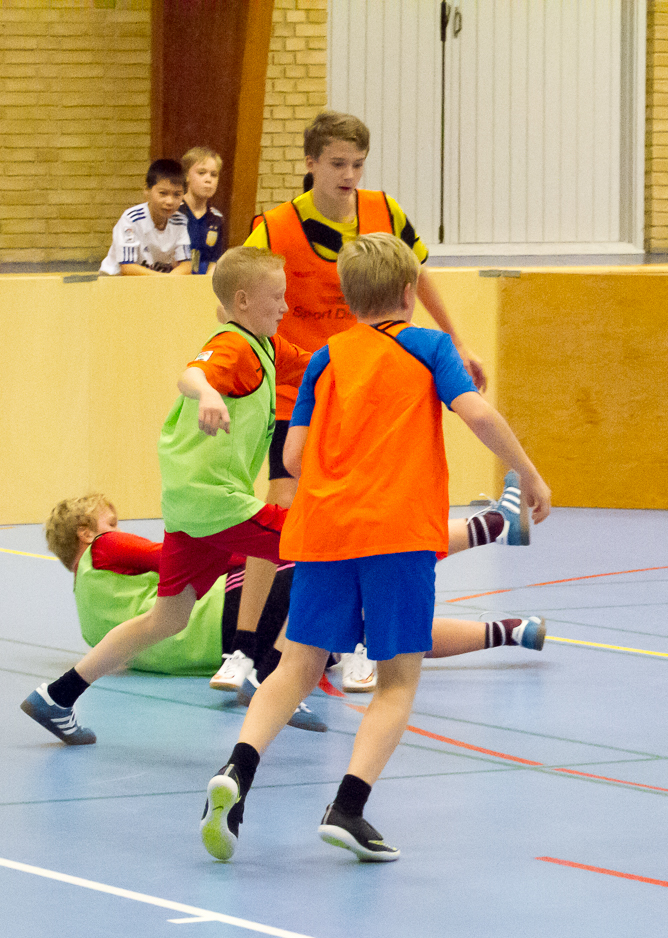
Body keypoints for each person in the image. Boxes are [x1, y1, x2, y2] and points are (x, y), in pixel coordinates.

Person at [200, 232, 551, 864]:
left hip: (324, 532)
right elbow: (475, 414)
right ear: (410, 293)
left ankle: (237, 770)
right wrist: (526, 472)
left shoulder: (326, 358)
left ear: (349, 297)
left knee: (295, 666)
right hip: (397, 536)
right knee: (396, 681)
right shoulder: (429, 347)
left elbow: (293, 457)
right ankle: (348, 807)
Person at [214, 110, 518, 693]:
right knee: (279, 512)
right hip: (302, 390)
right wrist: (258, 356)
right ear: (310, 163)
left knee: (362, 517)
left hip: (365, 391)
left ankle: (349, 644)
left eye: (357, 164)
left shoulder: (385, 213)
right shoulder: (275, 227)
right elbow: (235, 294)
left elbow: (416, 276)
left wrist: (457, 340)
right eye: (337, 164)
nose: (349, 175)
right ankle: (243, 650)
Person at [21, 246, 305, 746]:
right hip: (214, 499)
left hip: (191, 506)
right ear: (242, 301)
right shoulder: (232, 347)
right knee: (321, 551)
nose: (285, 306)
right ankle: (275, 673)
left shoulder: (266, 346)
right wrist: (208, 392)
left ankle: (57, 695)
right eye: (277, 297)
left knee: (167, 617)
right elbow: (190, 375)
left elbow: (320, 365)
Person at [42, 494, 324, 730]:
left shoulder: (88, 626)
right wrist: (253, 552)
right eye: (111, 523)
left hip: (211, 653)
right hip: (225, 618)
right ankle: (269, 679)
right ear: (85, 532)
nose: (117, 530)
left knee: (315, 641)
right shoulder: (104, 545)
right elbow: (173, 559)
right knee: (308, 572)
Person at [99, 159, 192, 276]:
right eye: (163, 193)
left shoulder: (180, 221)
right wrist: (164, 280)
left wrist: (169, 280)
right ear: (147, 190)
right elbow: (127, 268)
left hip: (156, 279)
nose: (170, 201)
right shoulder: (131, 220)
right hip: (116, 279)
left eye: (177, 195)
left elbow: (186, 265)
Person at [180, 147, 225, 276]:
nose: (208, 179)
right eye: (201, 173)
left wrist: (205, 284)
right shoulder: (174, 212)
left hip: (203, 282)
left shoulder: (217, 218)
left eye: (213, 175)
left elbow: (215, 260)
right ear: (186, 176)